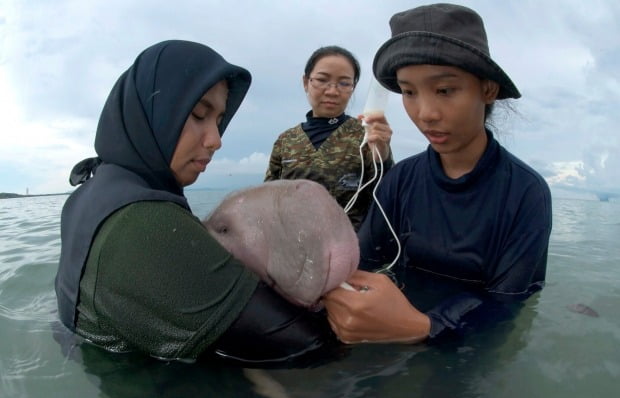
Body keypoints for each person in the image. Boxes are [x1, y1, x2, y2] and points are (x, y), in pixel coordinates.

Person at [54, 40, 338, 365]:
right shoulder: (147, 227)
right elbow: (308, 346)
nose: (216, 140)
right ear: (152, 113)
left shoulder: (86, 197)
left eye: (218, 121)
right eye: (199, 114)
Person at [323, 4, 552, 343]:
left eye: (445, 90)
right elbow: (364, 263)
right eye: (409, 92)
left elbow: (508, 304)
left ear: (487, 90)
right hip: (384, 336)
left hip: (467, 352)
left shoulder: (526, 193)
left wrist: (424, 327)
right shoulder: (400, 181)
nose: (425, 114)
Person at [264, 45, 394, 230]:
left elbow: (388, 197)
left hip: (351, 250)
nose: (332, 91)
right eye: (322, 80)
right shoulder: (286, 141)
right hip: (293, 249)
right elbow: (269, 200)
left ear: (353, 88)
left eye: (344, 83)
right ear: (305, 82)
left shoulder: (367, 136)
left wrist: (382, 156)